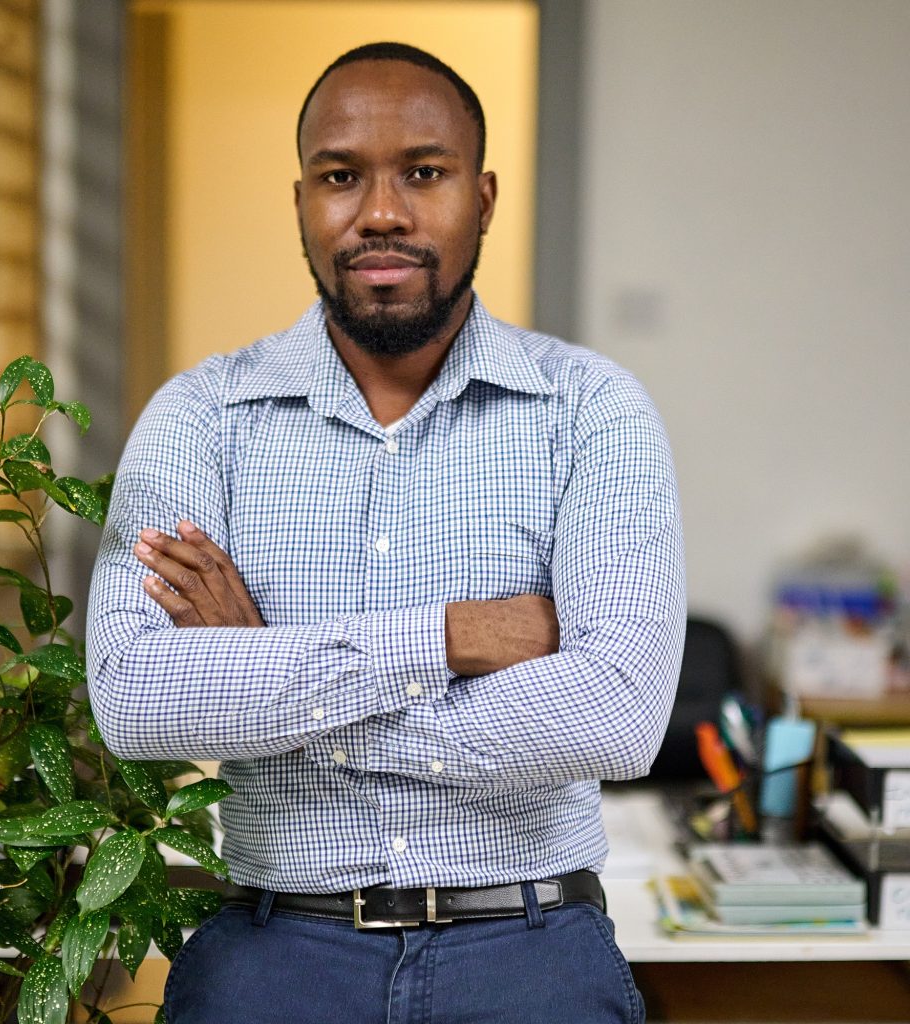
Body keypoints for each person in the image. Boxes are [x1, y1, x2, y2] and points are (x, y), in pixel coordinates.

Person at [87, 41, 685, 1024]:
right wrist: (453, 637)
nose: (380, 212)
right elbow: (133, 698)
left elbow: (615, 715)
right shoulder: (201, 416)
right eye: (340, 176)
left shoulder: (591, 410)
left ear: (483, 197)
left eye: (423, 171)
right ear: (300, 204)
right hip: (273, 951)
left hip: (531, 947)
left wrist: (263, 667)